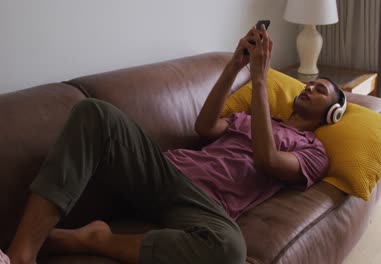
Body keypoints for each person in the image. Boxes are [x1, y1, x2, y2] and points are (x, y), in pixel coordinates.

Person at [5, 25, 345, 264]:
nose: (308, 88)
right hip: (166, 171)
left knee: (229, 249)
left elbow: (267, 158)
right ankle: (21, 255)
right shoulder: (253, 118)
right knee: (94, 113)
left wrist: (259, 80)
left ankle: (96, 240)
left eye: (320, 91)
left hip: (203, 206)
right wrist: (234, 65)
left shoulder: (314, 152)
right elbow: (205, 125)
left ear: (332, 113)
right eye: (310, 84)